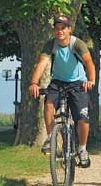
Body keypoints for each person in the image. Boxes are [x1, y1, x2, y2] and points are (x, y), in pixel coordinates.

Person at [28, 15, 96, 168]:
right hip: (58, 82)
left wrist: (91, 81)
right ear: (54, 30)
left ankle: (82, 149)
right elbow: (42, 63)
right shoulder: (51, 45)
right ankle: (51, 138)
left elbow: (89, 62)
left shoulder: (77, 44)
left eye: (63, 28)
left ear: (69, 29)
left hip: (78, 83)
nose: (60, 32)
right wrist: (34, 83)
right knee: (49, 104)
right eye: (57, 29)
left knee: (83, 118)